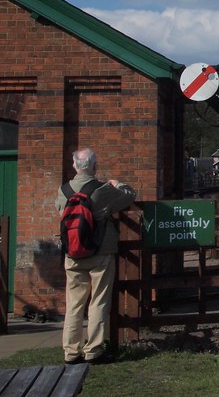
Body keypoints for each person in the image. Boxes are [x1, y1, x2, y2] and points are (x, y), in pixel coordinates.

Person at [55, 147, 136, 364]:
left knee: (74, 304)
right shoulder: (102, 190)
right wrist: (117, 183)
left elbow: (60, 212)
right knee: (98, 301)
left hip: (73, 254)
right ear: (94, 166)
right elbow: (129, 196)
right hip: (101, 252)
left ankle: (71, 352)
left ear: (74, 166)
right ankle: (93, 350)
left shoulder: (63, 190)